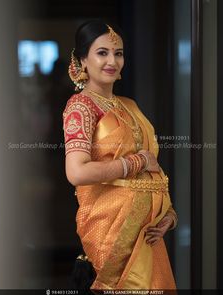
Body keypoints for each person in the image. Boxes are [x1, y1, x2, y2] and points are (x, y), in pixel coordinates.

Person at [63, 19, 178, 291]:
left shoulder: (129, 106)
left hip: (147, 234)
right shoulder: (81, 107)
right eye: (102, 52)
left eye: (118, 53)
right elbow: (77, 172)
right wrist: (135, 162)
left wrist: (168, 214)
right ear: (83, 60)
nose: (112, 60)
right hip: (113, 235)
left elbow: (153, 168)